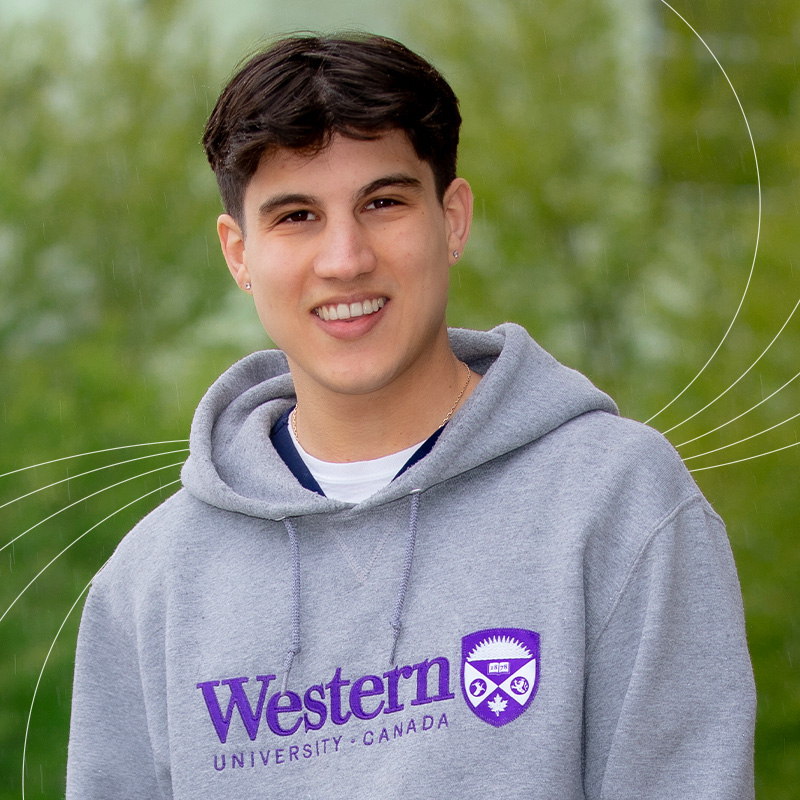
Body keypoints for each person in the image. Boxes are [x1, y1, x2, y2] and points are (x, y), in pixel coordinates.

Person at [67, 33, 756, 799]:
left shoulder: (616, 500)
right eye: (296, 216)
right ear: (239, 254)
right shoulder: (149, 584)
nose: (345, 258)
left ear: (452, 219)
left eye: (383, 202)